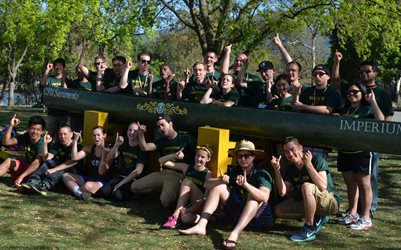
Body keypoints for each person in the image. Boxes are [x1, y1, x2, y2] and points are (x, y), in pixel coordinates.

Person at [179, 140, 275, 250]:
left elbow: (264, 197)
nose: (242, 159)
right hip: (238, 213)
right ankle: (201, 225)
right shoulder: (236, 170)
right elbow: (207, 184)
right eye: (239, 156)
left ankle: (234, 234)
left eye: (246, 155)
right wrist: (220, 180)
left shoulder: (261, 173)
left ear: (253, 157)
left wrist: (246, 185)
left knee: (253, 198)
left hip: (259, 218)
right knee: (219, 187)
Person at [332, 52, 394, 216]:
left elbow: (386, 116)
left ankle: (369, 209)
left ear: (375, 73)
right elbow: (336, 81)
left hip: (370, 143)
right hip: (349, 147)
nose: (364, 74)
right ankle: (354, 209)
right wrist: (337, 62)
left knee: (369, 177)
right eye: (361, 72)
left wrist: (383, 136)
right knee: (353, 178)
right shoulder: (353, 91)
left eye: (367, 71)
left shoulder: (381, 94)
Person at [335, 81, 384, 230]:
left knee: (364, 185)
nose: (351, 94)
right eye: (349, 92)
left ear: (362, 94)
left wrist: (373, 102)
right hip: (344, 151)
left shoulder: (367, 109)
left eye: (355, 92)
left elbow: (381, 121)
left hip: (362, 152)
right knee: (350, 184)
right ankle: (353, 213)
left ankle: (366, 217)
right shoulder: (345, 109)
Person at [272, 136, 340, 242]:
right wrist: (277, 170)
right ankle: (318, 217)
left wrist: (308, 164)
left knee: (306, 186)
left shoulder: (317, 160)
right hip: (310, 202)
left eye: (292, 149)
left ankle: (309, 227)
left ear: (301, 148)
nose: (290, 154)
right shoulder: (291, 170)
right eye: (286, 152)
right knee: (278, 210)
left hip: (330, 202)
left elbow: (322, 186)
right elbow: (283, 192)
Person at [131, 114, 197, 207]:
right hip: (163, 173)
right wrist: (141, 134)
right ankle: (162, 190)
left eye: (163, 125)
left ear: (170, 124)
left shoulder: (186, 138)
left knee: (165, 202)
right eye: (158, 127)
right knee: (134, 187)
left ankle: (173, 194)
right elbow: (144, 147)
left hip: (178, 175)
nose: (160, 128)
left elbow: (198, 155)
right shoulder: (162, 141)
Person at [162, 144, 213, 229]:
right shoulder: (187, 167)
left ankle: (175, 215)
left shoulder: (208, 174)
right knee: (186, 219)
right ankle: (203, 218)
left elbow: (205, 198)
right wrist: (174, 155)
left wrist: (190, 209)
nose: (199, 159)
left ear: (208, 159)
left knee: (187, 181)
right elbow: (162, 161)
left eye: (202, 157)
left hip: (199, 204)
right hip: (188, 204)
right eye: (197, 155)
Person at [22, 126, 80, 196]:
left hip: (72, 174)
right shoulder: (58, 145)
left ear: (71, 134)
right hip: (56, 174)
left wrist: (54, 169)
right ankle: (33, 181)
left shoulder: (77, 146)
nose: (62, 136)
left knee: (63, 169)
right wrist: (45, 144)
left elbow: (72, 162)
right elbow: (46, 159)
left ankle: (44, 186)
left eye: (65, 134)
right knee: (49, 163)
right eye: (60, 134)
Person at [99, 122, 148, 202]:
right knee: (104, 192)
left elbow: (138, 171)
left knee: (118, 197)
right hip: (122, 176)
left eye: (135, 131)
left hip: (134, 179)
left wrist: (120, 184)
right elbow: (112, 156)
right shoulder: (124, 144)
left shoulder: (141, 148)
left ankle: (137, 194)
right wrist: (117, 145)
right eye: (130, 130)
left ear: (139, 132)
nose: (132, 133)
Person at [62, 126, 110, 200]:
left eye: (98, 135)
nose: (96, 137)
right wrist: (75, 141)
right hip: (90, 178)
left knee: (86, 186)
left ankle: (84, 191)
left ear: (104, 135)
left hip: (102, 182)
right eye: (94, 135)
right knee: (65, 175)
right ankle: (81, 194)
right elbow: (74, 157)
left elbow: (102, 172)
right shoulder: (90, 148)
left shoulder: (108, 150)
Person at [0, 115, 46, 187]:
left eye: (38, 130)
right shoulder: (26, 136)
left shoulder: (42, 143)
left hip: (37, 174)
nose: (34, 132)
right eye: (32, 128)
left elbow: (37, 162)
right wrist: (11, 126)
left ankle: (26, 182)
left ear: (42, 132)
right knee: (9, 161)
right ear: (28, 128)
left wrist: (21, 176)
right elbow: (6, 142)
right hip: (26, 170)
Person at [40, 58, 70, 137]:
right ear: (54, 67)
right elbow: (43, 83)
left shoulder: (67, 80)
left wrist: (63, 78)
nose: (58, 67)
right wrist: (47, 70)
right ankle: (49, 148)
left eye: (60, 65)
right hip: (52, 112)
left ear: (63, 67)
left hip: (63, 112)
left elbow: (66, 91)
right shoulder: (50, 79)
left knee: (62, 133)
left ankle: (60, 148)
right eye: (56, 65)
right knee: (50, 132)